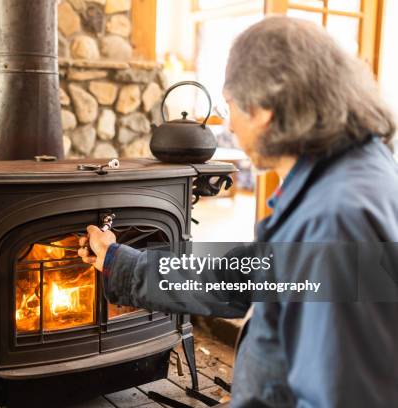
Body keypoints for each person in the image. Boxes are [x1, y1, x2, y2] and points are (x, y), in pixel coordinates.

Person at [79, 16, 398, 408]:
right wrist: (120, 264)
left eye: (230, 104)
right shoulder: (340, 178)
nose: (230, 123)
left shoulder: (334, 218)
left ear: (263, 106)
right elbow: (240, 278)